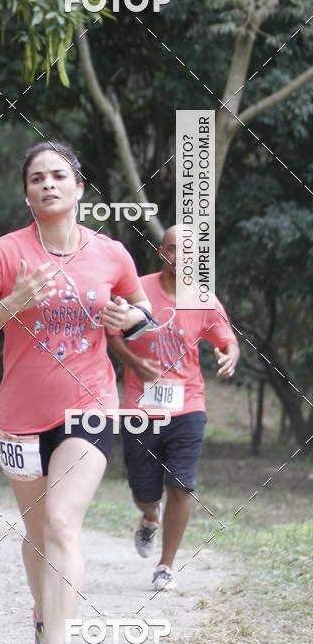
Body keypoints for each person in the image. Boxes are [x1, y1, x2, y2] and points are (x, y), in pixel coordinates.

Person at [0, 142, 155, 644]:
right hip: (19, 416)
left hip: (89, 404)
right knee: (39, 532)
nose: (48, 184)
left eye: (59, 175)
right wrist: (13, 302)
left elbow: (143, 313)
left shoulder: (110, 253)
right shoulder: (4, 254)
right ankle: (45, 617)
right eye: (37, 177)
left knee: (63, 522)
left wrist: (130, 321)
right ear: (26, 194)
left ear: (79, 187)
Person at [108, 225, 240, 590]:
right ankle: (150, 517)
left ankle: (165, 566)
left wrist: (229, 357)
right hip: (140, 408)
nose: (180, 257)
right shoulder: (137, 292)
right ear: (161, 252)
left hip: (188, 406)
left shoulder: (203, 300)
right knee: (143, 492)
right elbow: (113, 337)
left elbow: (228, 340)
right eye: (172, 249)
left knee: (181, 487)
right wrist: (134, 364)